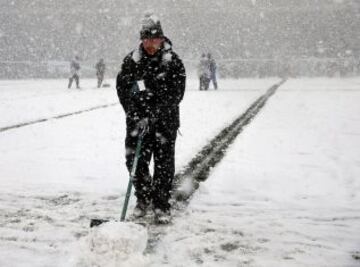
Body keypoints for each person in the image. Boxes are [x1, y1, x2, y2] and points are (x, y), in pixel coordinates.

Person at [116, 13, 186, 224]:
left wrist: (154, 115)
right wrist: (137, 115)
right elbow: (123, 90)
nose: (150, 43)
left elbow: (176, 94)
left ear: (162, 39)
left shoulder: (173, 62)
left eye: (154, 39)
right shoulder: (131, 61)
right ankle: (143, 197)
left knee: (164, 164)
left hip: (164, 124)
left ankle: (161, 203)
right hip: (138, 124)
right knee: (135, 162)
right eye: (146, 39)